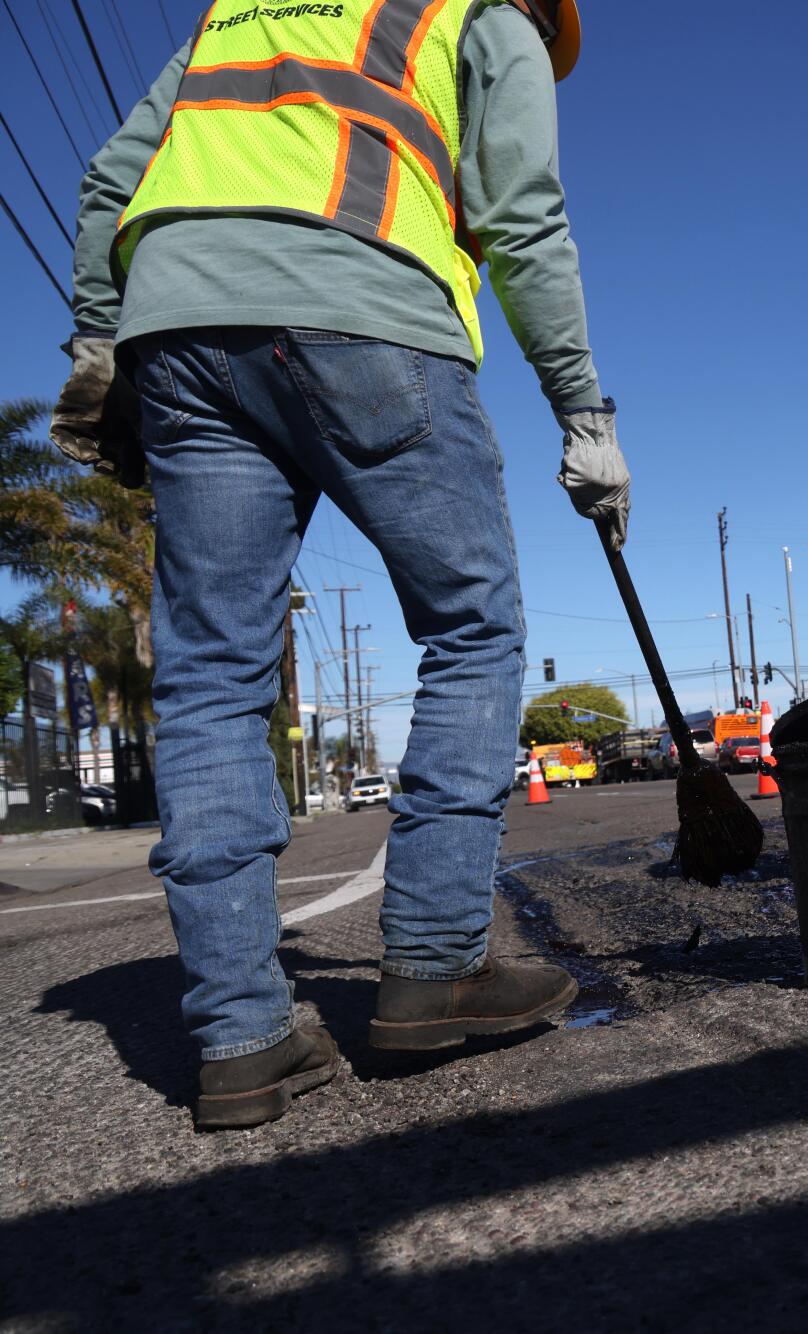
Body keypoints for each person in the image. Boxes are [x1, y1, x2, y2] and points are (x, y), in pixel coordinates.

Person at [49, 0, 622, 1129]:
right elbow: (520, 216)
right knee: (472, 625)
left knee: (212, 676)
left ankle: (241, 1037)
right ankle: (433, 964)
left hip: (178, 335)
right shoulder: (484, 16)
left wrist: (97, 335)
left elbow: (113, 176)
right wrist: (582, 407)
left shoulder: (237, 14)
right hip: (365, 318)